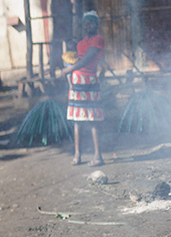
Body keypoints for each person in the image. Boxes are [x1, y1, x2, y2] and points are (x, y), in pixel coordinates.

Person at [61, 11, 104, 167]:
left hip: (89, 82)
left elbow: (86, 60)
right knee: (77, 120)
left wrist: (68, 69)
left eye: (90, 23)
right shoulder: (80, 43)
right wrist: (69, 68)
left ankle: (98, 156)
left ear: (96, 24)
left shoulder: (98, 40)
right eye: (85, 23)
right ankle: (77, 154)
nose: (87, 26)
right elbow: (77, 58)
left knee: (93, 119)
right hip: (76, 83)